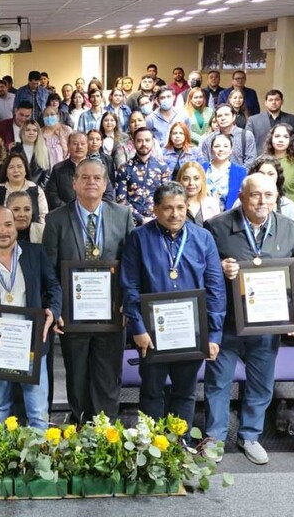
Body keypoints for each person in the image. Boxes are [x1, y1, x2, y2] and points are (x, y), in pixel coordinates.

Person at [204, 174, 294, 465]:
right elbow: (199, 270)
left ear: (277, 197)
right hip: (227, 323)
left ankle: (250, 435)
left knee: (261, 384)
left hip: (267, 325)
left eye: (269, 195)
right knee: (218, 384)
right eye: (255, 195)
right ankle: (215, 438)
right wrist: (219, 268)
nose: (262, 201)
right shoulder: (217, 227)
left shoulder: (289, 228)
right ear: (242, 197)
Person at [121, 182, 226, 427]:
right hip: (151, 333)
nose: (175, 214)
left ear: (187, 207)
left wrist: (214, 334)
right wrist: (137, 328)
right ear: (155, 209)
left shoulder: (203, 238)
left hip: (192, 332)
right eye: (168, 208)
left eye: (180, 207)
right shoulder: (138, 238)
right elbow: (130, 286)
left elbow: (216, 289)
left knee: (185, 392)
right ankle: (150, 447)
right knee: (151, 392)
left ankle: (180, 444)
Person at [42, 159, 133, 423]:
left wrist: (127, 302)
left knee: (108, 376)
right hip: (73, 314)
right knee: (78, 375)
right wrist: (56, 307)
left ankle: (107, 429)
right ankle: (80, 426)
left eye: (97, 178)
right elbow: (50, 269)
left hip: (113, 313)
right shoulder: (56, 219)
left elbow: (130, 264)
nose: (91, 182)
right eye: (84, 178)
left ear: (105, 183)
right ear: (74, 183)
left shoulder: (122, 214)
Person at [0, 206, 62, 429]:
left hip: (33, 344)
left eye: (8, 225)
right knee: (2, 408)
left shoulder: (36, 253)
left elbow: (54, 287)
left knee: (38, 411)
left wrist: (53, 311)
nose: (3, 231)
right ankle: (5, 459)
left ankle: (39, 461)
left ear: (15, 226)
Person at [115, 128, 172, 226]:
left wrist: (155, 218)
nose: (144, 144)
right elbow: (121, 200)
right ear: (133, 142)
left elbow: (166, 197)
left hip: (158, 221)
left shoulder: (162, 167)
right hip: (131, 222)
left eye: (147, 140)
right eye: (139, 140)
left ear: (153, 142)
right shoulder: (124, 169)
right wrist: (141, 219)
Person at [245, 155, 294, 227]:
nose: (266, 178)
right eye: (261, 173)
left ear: (278, 177)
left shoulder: (288, 206)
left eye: (271, 174)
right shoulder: (242, 203)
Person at [263, 123, 294, 206]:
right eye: (277, 136)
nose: (281, 140)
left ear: (291, 140)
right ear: (271, 138)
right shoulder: (263, 160)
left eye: (285, 137)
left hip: (291, 208)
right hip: (267, 206)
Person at [0, 152, 49, 224]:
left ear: (25, 170)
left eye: (19, 166)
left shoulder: (36, 189)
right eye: (11, 167)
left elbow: (43, 216)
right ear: (6, 172)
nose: (16, 171)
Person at [46, 132, 91, 210]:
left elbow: (107, 194)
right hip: (64, 214)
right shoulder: (58, 169)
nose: (79, 147)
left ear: (87, 146)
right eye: (75, 143)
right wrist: (68, 210)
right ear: (68, 146)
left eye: (83, 144)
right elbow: (51, 194)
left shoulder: (97, 168)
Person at [204, 133, 246, 212]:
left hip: (230, 217)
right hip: (202, 216)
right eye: (217, 146)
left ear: (231, 150)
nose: (221, 149)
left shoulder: (240, 172)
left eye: (225, 146)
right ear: (211, 150)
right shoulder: (202, 168)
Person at [12, 119, 54, 187]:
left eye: (34, 130)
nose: (31, 133)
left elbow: (47, 174)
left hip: (38, 191)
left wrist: (39, 190)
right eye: (28, 130)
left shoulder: (44, 151)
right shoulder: (15, 150)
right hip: (18, 191)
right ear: (22, 132)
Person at [86, 129, 118, 201]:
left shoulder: (108, 159)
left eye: (97, 139)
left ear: (101, 142)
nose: (94, 142)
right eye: (91, 139)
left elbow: (111, 179)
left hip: (104, 194)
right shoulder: (82, 158)